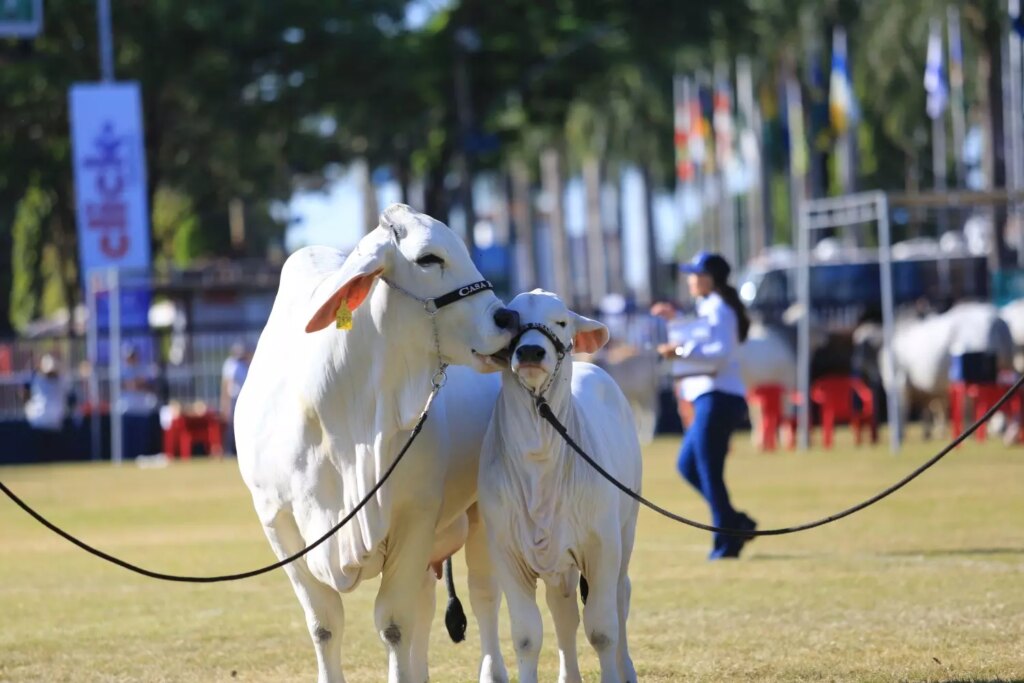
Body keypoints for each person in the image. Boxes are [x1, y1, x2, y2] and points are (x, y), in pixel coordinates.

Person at [652, 251, 757, 560]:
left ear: (711, 278)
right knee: (689, 466)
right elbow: (701, 338)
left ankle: (727, 542)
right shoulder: (710, 306)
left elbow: (720, 352)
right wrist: (675, 323)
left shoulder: (721, 308)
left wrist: (680, 350)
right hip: (710, 398)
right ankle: (734, 523)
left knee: (708, 472)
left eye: (696, 274)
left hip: (719, 397)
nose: (690, 279)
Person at [23, 353, 70, 461]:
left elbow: (26, 388)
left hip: (44, 422)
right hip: (47, 422)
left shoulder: (37, 379)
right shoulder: (60, 380)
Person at [220, 342, 250, 456]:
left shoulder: (244, 364)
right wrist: (225, 404)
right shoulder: (231, 364)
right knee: (232, 426)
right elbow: (226, 384)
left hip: (244, 397)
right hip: (234, 398)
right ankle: (230, 450)